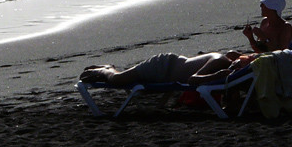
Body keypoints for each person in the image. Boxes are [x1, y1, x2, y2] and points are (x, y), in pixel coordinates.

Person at [79, 50, 249, 86]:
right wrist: (218, 75)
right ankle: (105, 69)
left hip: (167, 75)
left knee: (125, 79)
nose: (237, 66)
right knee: (117, 79)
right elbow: (193, 80)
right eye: (239, 63)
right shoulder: (219, 60)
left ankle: (109, 69)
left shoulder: (227, 68)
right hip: (163, 66)